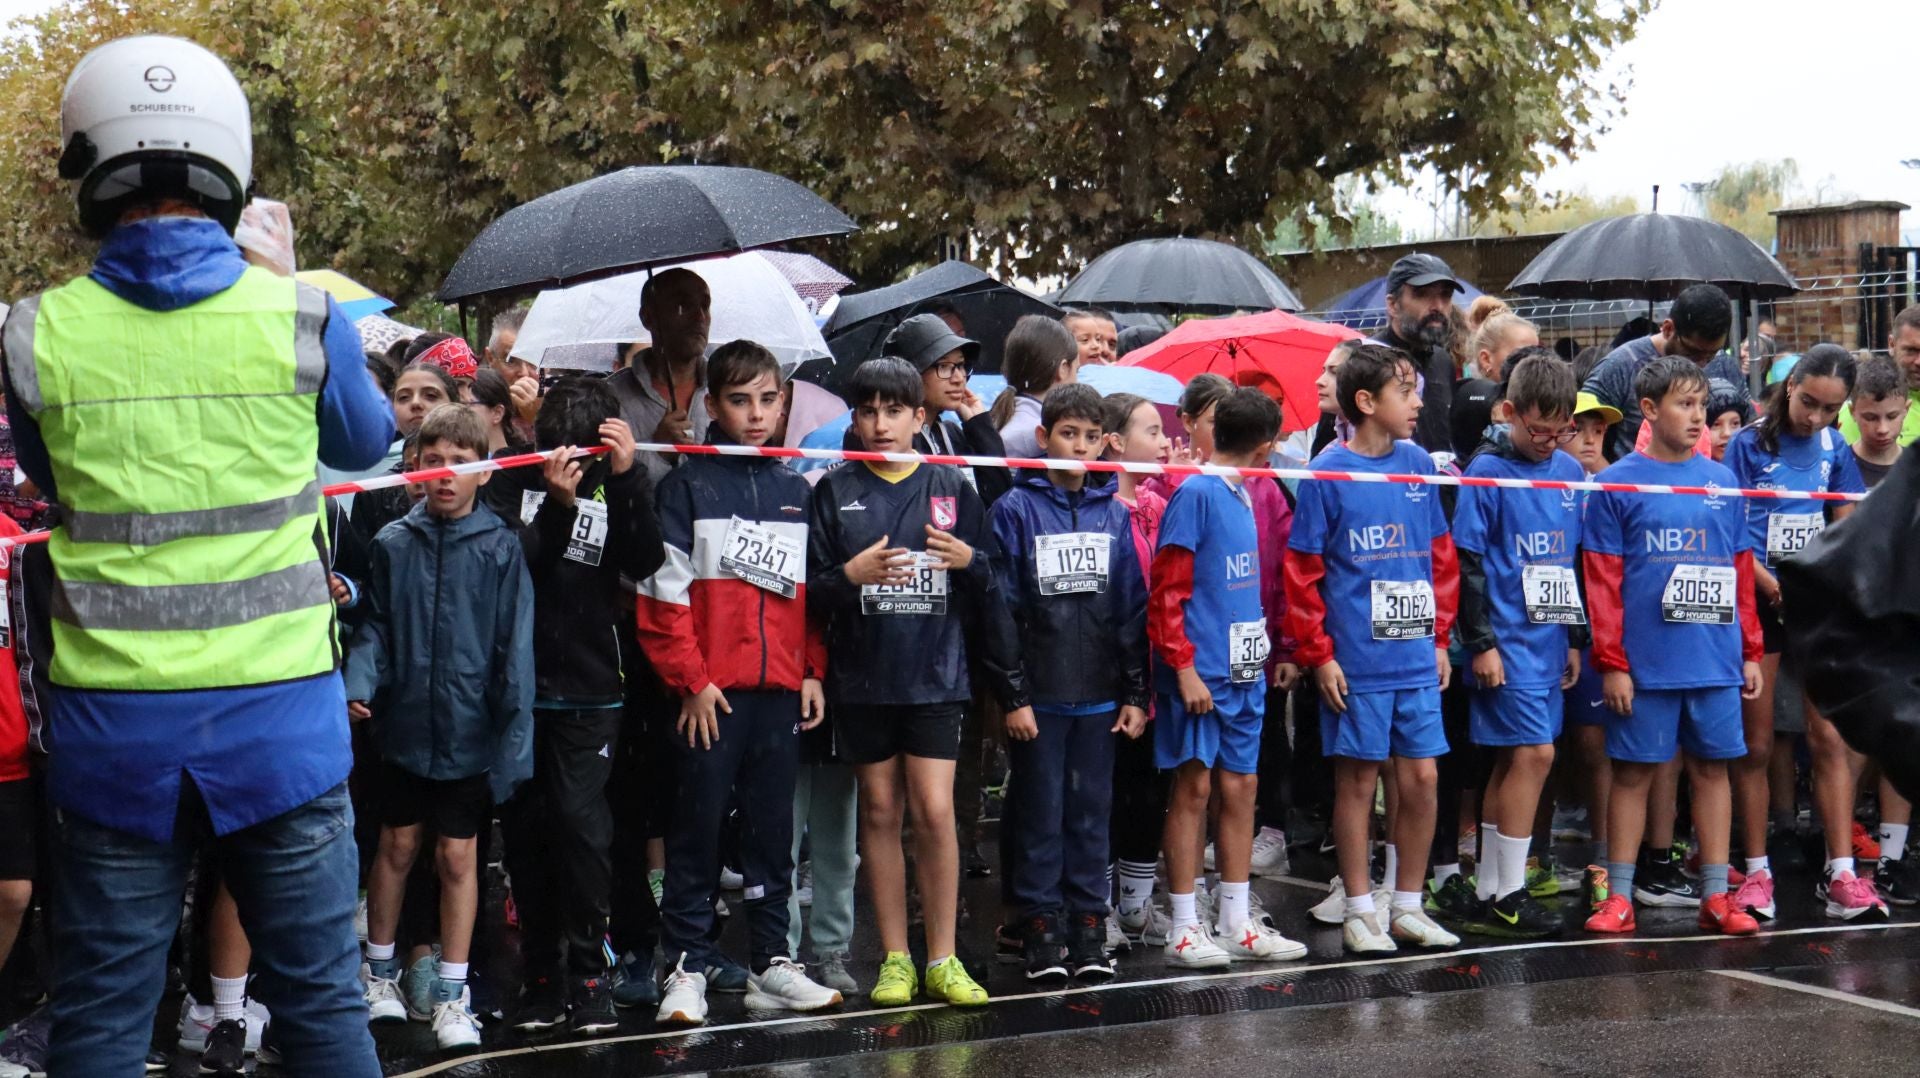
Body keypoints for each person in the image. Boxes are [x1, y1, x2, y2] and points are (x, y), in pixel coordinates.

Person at [0, 35, 393, 1077]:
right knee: (322, 1012)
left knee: (100, 1024)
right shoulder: (302, 316)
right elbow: (364, 442)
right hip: (284, 730)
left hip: (114, 740)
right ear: (229, 160)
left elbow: (47, 472)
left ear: (90, 163)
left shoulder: (36, 334)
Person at [807, 357, 1030, 1007]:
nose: (881, 424)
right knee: (880, 811)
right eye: (869, 411)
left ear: (920, 417)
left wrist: (971, 562)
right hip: (863, 679)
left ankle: (943, 958)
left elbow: (993, 582)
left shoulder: (952, 485)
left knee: (934, 811)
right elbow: (810, 592)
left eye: (895, 411)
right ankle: (896, 959)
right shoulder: (835, 490)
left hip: (937, 677)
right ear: (855, 418)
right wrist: (850, 577)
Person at [635, 342, 843, 1025]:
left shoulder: (794, 491)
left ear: (784, 402)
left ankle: (770, 962)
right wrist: (691, 681)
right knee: (695, 830)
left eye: (768, 399)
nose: (756, 414)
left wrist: (810, 670)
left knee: (771, 833)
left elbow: (806, 596)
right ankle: (687, 966)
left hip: (778, 692)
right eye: (739, 400)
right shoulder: (684, 487)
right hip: (709, 696)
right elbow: (662, 597)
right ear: (711, 406)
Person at [346, 404, 535, 1049]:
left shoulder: (501, 547)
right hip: (402, 728)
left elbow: (515, 650)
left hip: (469, 733)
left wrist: (512, 742)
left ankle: (454, 996)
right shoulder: (393, 543)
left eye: (460, 462)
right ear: (414, 468)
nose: (446, 474)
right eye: (433, 462)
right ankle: (379, 976)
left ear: (485, 471)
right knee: (396, 847)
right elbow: (374, 625)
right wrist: (360, 682)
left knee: (458, 856)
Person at [501, 378, 666, 1036]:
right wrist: (556, 505)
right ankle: (541, 975)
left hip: (594, 689)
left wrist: (624, 478)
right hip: (522, 690)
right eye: (557, 450)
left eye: (584, 454)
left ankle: (591, 972)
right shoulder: (514, 479)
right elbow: (518, 566)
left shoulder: (616, 481)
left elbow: (645, 560)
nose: (569, 464)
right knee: (526, 832)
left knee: (581, 824)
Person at [1285, 344, 1461, 955]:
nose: (1418, 404)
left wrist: (1440, 638)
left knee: (1423, 778)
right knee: (1358, 782)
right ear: (1365, 401)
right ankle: (1360, 910)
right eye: (1404, 392)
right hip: (1356, 663)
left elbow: (1440, 558)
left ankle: (1407, 904)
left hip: (1415, 658)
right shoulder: (1327, 473)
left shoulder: (1416, 463)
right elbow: (1303, 573)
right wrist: (1320, 653)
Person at [1580, 356, 1762, 937]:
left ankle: (1716, 896)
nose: (1698, 416)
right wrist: (1612, 662)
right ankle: (1619, 897)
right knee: (1633, 774)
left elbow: (1740, 570)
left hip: (1714, 659)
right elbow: (1602, 582)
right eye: (1685, 404)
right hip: (1644, 666)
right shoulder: (1615, 484)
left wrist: (1750, 650)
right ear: (1650, 410)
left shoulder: (1723, 482)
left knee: (1712, 771)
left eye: (1702, 405)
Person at [990, 384, 1150, 983]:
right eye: (1068, 434)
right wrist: (1014, 696)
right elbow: (1003, 610)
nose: (1079, 446)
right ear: (1043, 437)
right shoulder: (1014, 510)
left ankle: (1088, 930)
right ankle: (1039, 931)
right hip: (1041, 697)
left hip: (1101, 697)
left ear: (1104, 442)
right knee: (1039, 813)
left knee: (1090, 814)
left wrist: (1135, 694)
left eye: (1090, 436)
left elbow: (1131, 607)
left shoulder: (1114, 514)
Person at [1150, 386, 1309, 968]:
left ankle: (1237, 920)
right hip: (1203, 676)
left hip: (1246, 672)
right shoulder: (1196, 493)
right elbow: (1167, 591)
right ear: (1266, 446)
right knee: (1193, 790)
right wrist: (1184, 667)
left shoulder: (1245, 493)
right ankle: (1184, 926)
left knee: (1242, 788)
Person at [1722, 345, 1880, 923]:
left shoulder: (1835, 448)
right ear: (1789, 387)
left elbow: (1845, 528)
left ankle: (1841, 874)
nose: (1815, 417)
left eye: (1829, 409)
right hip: (1761, 601)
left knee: (1829, 738)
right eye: (1808, 402)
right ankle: (1756, 871)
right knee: (1757, 743)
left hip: (1814, 605)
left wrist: (1823, 585)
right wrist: (1773, 587)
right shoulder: (1746, 446)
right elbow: (1733, 532)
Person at [1451, 355, 1588, 938]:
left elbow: (1572, 562)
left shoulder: (1570, 472)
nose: (1550, 442)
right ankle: (1510, 892)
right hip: (1505, 644)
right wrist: (1481, 643)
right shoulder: (1486, 472)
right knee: (1535, 757)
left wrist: (1575, 637)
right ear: (1508, 412)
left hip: (1549, 642)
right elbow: (1467, 563)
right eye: (1539, 430)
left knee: (1515, 760)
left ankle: (1489, 890)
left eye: (1561, 431)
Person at [1098, 393, 1175, 942]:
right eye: (1153, 432)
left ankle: (1137, 905)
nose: (1165, 442)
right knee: (1108, 791)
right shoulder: (1100, 508)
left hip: (1159, 670)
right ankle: (1097, 907)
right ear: (1116, 443)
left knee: (1150, 790)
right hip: (1112, 675)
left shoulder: (1160, 503)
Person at [1581, 284, 1746, 462]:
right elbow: (1580, 432)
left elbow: (1748, 426)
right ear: (1668, 329)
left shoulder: (1724, 365)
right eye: (1693, 353)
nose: (1702, 363)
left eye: (1712, 354)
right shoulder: (1622, 365)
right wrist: (1614, 477)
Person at [607, 267, 713, 485]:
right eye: (683, 306)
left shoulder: (725, 389)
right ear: (648, 317)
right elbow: (603, 482)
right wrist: (658, 449)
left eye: (705, 305)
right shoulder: (612, 397)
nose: (700, 317)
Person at [1370, 253, 1462, 453]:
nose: (1438, 306)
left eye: (1445, 295)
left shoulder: (1442, 360)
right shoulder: (1366, 361)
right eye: (1422, 295)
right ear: (1393, 305)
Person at [991, 316, 1080, 458]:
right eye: (1077, 371)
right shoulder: (1033, 433)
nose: (1077, 381)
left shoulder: (1003, 418)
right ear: (1063, 369)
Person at [1838, 304, 1920, 447]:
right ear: (1892, 344)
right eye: (1911, 350)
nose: (1919, 361)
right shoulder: (1864, 406)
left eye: (1891, 416)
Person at [1846, 352, 1909, 489]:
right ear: (1852, 412)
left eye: (1892, 416)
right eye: (1870, 418)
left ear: (1906, 409)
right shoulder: (1838, 467)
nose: (1882, 429)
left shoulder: (1914, 467)